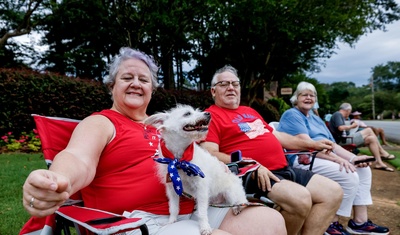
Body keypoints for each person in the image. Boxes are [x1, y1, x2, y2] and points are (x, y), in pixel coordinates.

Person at [21, 48, 287, 235]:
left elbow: (203, 157)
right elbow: (79, 158)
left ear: (151, 88)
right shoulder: (102, 122)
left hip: (194, 208)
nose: (136, 83)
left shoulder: (166, 125)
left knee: (269, 221)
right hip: (141, 221)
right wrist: (57, 180)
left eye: (143, 79)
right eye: (127, 78)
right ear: (111, 85)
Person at [200, 65, 343, 235]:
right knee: (300, 199)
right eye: (224, 84)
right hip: (251, 174)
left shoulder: (250, 111)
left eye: (235, 84)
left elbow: (278, 137)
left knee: (333, 192)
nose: (231, 87)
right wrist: (251, 164)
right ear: (213, 91)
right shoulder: (209, 117)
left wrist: (312, 144)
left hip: (283, 169)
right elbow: (209, 154)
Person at [279, 81, 390, 235]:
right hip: (304, 159)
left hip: (322, 156)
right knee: (348, 173)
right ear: (296, 98)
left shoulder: (315, 118)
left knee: (363, 171)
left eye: (312, 95)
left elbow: (334, 145)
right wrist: (338, 160)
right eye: (304, 95)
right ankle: (331, 224)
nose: (309, 98)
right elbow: (308, 146)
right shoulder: (292, 114)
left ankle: (359, 222)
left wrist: (354, 158)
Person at [329, 103, 395, 172]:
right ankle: (382, 151)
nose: (349, 113)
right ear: (348, 110)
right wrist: (353, 126)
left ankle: (379, 163)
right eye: (350, 111)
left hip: (344, 139)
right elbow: (340, 128)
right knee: (369, 130)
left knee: (371, 139)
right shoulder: (338, 114)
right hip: (342, 141)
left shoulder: (338, 115)